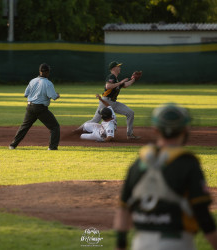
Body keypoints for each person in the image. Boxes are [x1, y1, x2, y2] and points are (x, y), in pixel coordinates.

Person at [114, 103, 217, 250]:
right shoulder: (188, 163)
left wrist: (120, 244)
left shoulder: (138, 163)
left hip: (141, 243)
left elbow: (123, 209)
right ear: (185, 129)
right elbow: (202, 213)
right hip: (177, 243)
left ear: (155, 130)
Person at [76, 61, 142, 140]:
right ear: (114, 68)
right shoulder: (111, 76)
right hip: (106, 101)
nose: (119, 68)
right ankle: (76, 132)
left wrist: (133, 79)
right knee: (95, 120)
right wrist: (120, 82)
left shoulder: (116, 80)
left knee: (130, 113)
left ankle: (130, 135)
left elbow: (125, 85)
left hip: (114, 103)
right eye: (118, 66)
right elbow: (108, 86)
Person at [9, 63, 60, 150]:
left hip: (30, 107)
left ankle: (12, 145)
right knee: (55, 127)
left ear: (40, 71)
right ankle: (52, 147)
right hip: (40, 109)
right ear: (48, 72)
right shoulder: (48, 83)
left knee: (24, 127)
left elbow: (26, 94)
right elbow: (53, 96)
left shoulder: (32, 81)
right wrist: (57, 95)